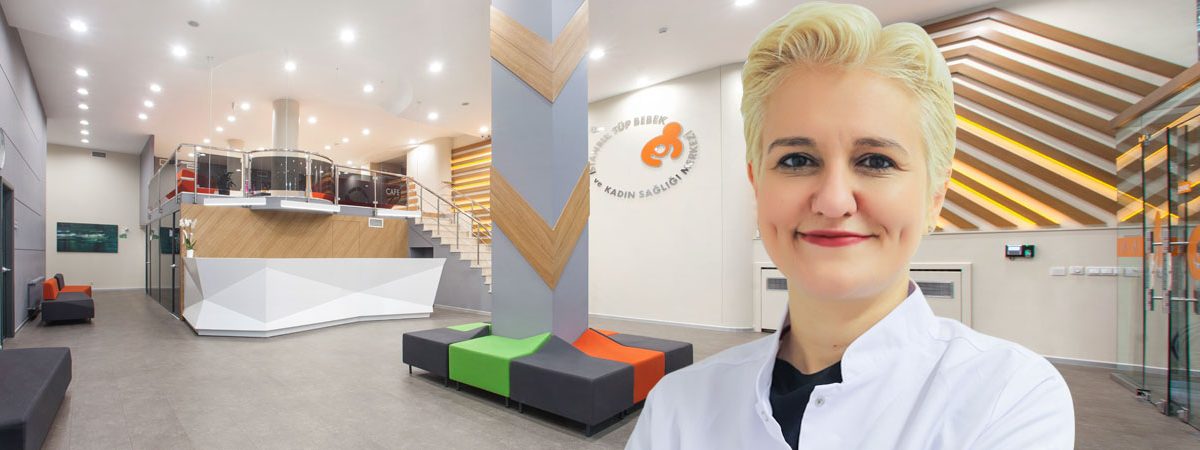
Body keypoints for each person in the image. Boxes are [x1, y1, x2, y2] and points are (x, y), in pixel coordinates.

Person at [625, 3, 1074, 449]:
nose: (834, 200)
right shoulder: (677, 405)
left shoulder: (1009, 396)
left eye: (876, 161)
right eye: (796, 160)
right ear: (757, 185)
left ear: (934, 195)